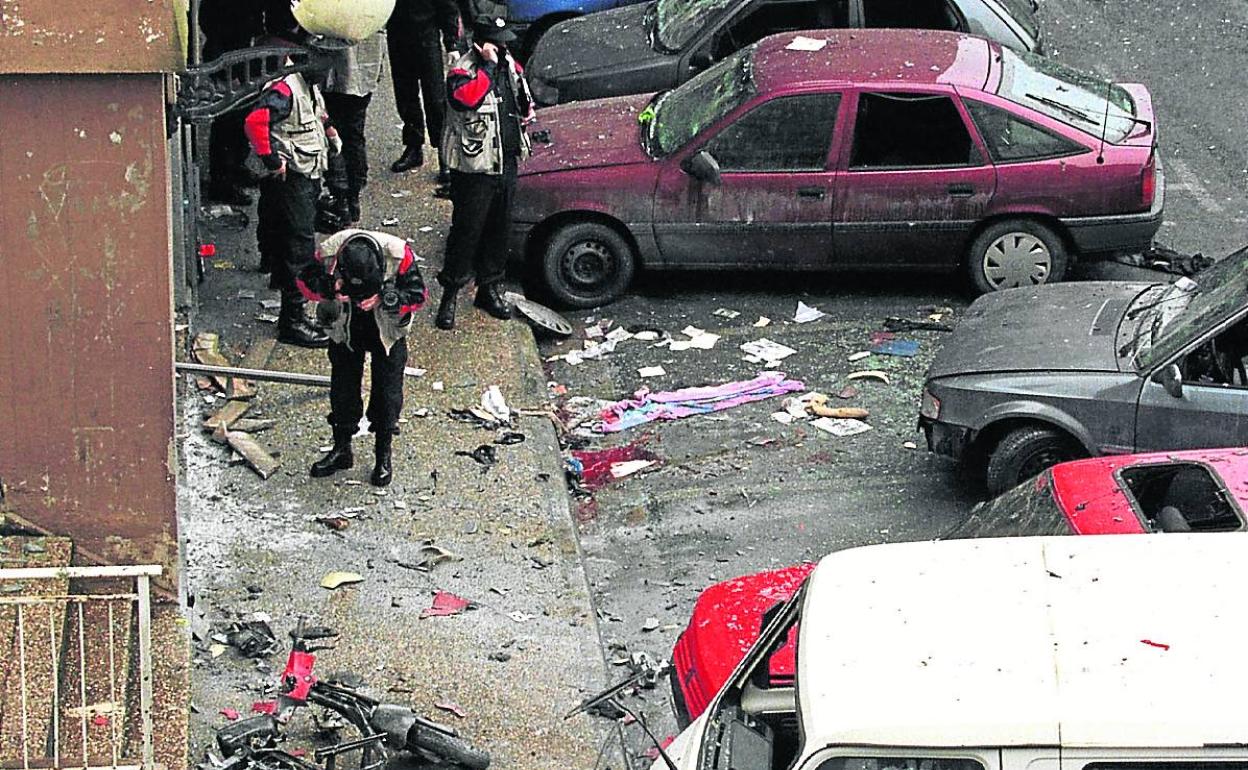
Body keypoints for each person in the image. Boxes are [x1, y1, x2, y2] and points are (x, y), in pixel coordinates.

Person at [297, 230, 427, 486]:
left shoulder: (399, 254)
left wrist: (386, 299)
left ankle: (383, 455)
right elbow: (304, 282)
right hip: (344, 326)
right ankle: (342, 449)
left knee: (387, 391)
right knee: (342, 388)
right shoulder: (329, 252)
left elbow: (418, 295)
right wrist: (329, 288)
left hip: (387, 330)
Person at [435, 2, 534, 330]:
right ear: (480, 43)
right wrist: (490, 68)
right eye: (497, 42)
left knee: (499, 230)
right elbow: (468, 99)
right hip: (475, 168)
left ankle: (489, 287)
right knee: (467, 232)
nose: (504, 47)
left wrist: (526, 107)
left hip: (505, 160)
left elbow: (523, 95)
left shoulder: (509, 65)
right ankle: (450, 292)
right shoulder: (462, 71)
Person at [244, 15, 341, 348]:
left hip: (298, 172)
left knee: (274, 226)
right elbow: (257, 121)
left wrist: (327, 129)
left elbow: (314, 112)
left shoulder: (304, 84)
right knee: (298, 245)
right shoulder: (286, 87)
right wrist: (272, 159)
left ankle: (270, 266)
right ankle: (293, 320)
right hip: (295, 175)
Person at [386, 0, 463, 177]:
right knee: (405, 95)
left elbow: (448, 5)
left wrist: (451, 42)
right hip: (398, 33)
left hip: (426, 34)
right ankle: (413, 146)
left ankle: (444, 155)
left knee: (435, 99)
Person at [199, 0, 264, 205]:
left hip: (240, 53)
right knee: (227, 121)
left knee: (240, 117)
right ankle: (222, 183)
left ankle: (237, 167)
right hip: (227, 58)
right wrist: (229, 73)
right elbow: (212, 25)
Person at [320, 30, 387, 228]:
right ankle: (353, 198)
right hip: (366, 67)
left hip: (337, 69)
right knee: (354, 135)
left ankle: (342, 201)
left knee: (335, 137)